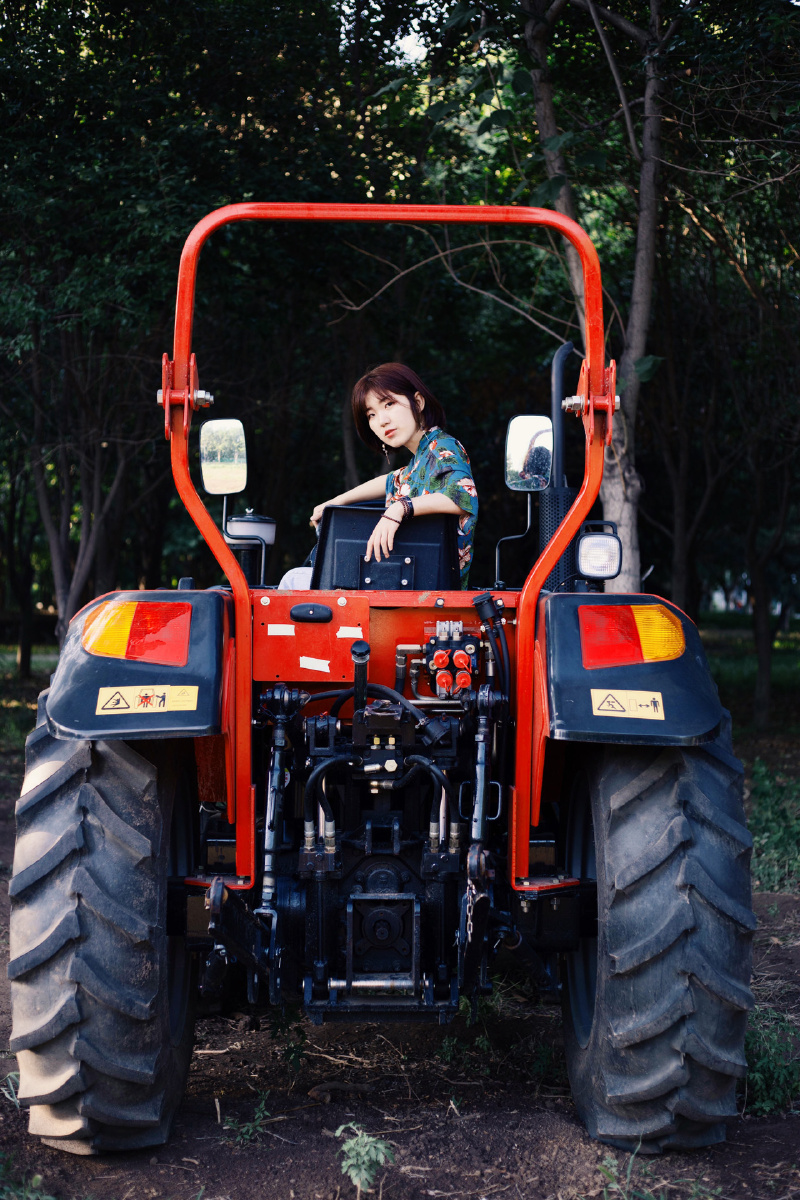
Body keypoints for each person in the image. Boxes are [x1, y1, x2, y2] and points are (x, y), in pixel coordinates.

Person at [311, 363, 478, 586]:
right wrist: (334, 503)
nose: (382, 421)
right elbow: (392, 480)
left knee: (295, 583)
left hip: (433, 596)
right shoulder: (420, 459)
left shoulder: (443, 448)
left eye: (389, 404)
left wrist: (399, 508)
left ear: (417, 402)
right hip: (410, 589)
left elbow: (461, 496)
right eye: (371, 414)